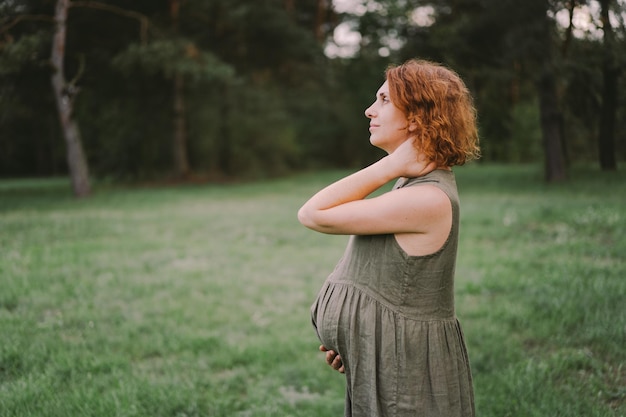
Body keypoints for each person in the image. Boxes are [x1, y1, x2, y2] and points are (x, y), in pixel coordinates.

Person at [297, 59, 480, 417]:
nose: (369, 110)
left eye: (383, 100)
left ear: (416, 117)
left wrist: (391, 164)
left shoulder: (427, 198)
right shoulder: (411, 187)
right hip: (386, 361)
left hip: (406, 373)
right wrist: (358, 341)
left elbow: (312, 214)